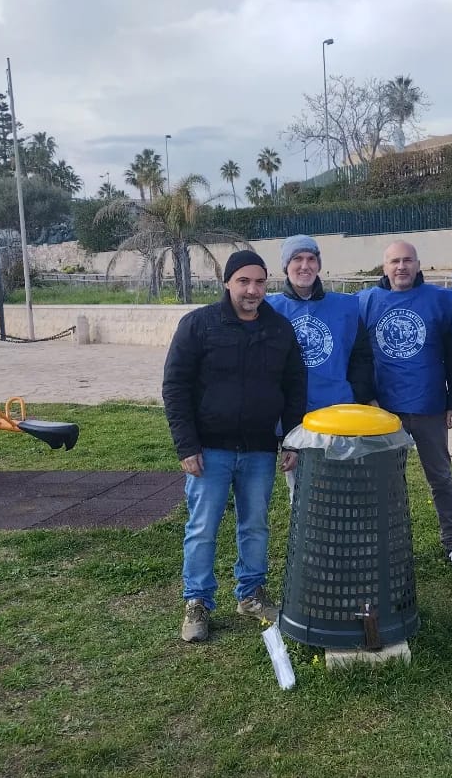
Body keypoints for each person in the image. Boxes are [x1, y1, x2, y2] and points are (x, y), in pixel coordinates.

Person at [163, 250, 307, 643]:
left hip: (260, 449)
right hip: (210, 450)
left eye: (259, 282)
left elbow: (295, 386)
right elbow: (175, 387)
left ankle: (251, 593)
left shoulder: (279, 329)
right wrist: (186, 445)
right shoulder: (198, 325)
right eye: (244, 281)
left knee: (255, 525)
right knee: (202, 527)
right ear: (227, 283)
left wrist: (291, 438)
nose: (252, 289)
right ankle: (197, 602)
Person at [357, 240, 452, 573]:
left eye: (408, 260)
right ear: (384, 267)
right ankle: (384, 547)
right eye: (395, 261)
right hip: (384, 412)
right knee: (383, 482)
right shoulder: (365, 302)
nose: (401, 267)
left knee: (440, 477)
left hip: (429, 405)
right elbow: (359, 357)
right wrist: (367, 398)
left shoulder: (440, 300)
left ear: (418, 264)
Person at [267, 234, 376, 493]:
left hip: (339, 412)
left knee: (344, 488)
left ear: (318, 264)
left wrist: (359, 394)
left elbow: (361, 356)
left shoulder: (345, 306)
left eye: (311, 259)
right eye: (297, 259)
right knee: (302, 492)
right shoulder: (270, 309)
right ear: (286, 265)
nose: (305, 265)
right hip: (293, 417)